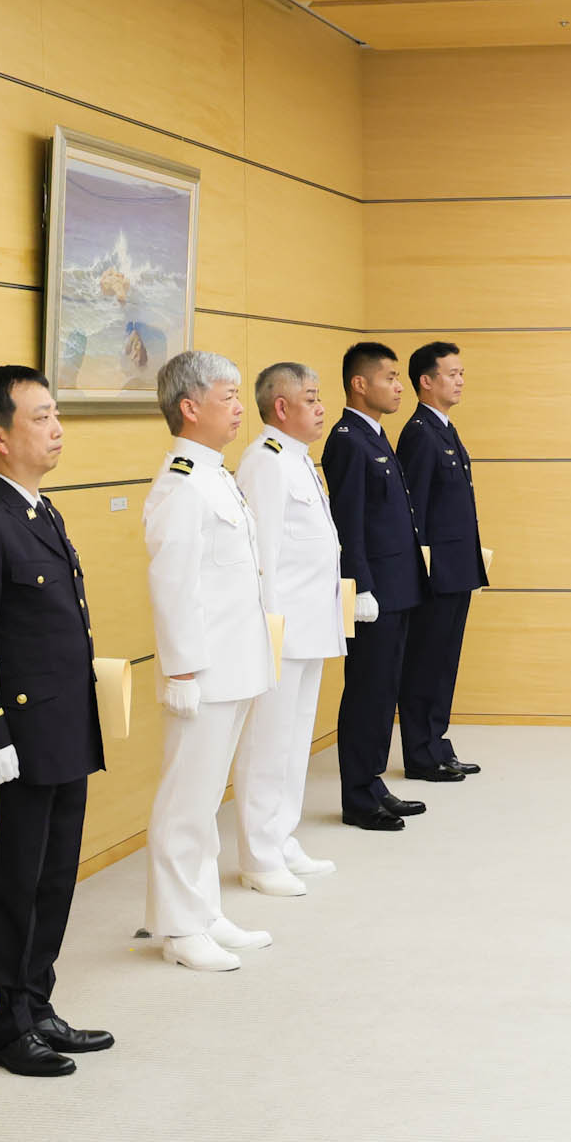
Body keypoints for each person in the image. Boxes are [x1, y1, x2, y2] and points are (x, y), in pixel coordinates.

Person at [0, 366, 112, 1078]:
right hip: (12, 741)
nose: (56, 427)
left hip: (64, 729)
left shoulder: (40, 511)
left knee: (52, 879)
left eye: (55, 413)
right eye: (40, 416)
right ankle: (3, 1024)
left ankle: (37, 1004)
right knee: (9, 882)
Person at [141, 350, 277, 972]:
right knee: (184, 802)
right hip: (204, 671)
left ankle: (203, 910)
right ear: (189, 407)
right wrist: (182, 670)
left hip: (236, 663)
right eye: (228, 397)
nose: (239, 409)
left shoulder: (217, 475)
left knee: (206, 799)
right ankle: (177, 925)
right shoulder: (181, 482)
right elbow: (173, 582)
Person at [232, 362, 346, 896]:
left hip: (311, 626)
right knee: (266, 744)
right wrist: (267, 634)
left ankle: (282, 836)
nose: (321, 407)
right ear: (282, 407)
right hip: (281, 631)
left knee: (295, 740)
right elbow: (264, 558)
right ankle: (259, 854)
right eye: (311, 398)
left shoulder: (298, 460)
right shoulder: (267, 463)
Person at [324, 342, 429, 831]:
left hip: (397, 587)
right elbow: (349, 521)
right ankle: (358, 797)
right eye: (389, 377)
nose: (398, 386)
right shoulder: (347, 439)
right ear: (359, 384)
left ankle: (372, 781)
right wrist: (359, 585)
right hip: (375, 595)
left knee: (384, 691)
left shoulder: (375, 435)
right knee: (367, 692)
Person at [396, 341, 487, 784]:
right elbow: (413, 511)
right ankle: (420, 753)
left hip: (456, 569)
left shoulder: (444, 428)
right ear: (425, 381)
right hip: (434, 574)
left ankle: (437, 744)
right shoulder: (418, 433)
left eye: (462, 373)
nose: (460, 380)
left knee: (443, 663)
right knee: (424, 662)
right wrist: (422, 570)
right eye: (451, 373)